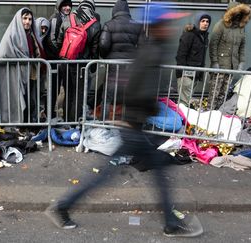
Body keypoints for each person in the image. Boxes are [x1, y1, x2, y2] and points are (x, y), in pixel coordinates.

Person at [45, 4, 204, 238]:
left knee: (146, 173)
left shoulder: (152, 47)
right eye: (167, 23)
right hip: (134, 127)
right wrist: (134, 117)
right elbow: (136, 89)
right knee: (108, 176)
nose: (170, 28)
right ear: (159, 26)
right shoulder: (151, 51)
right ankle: (62, 207)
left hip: (134, 124)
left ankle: (170, 222)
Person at [0, 7, 45, 123]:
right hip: (15, 75)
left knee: (30, 100)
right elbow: (1, 56)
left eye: (30, 19)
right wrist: (20, 60)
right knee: (18, 101)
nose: (27, 22)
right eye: (24, 18)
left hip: (30, 73)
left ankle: (28, 124)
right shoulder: (11, 35)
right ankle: (20, 124)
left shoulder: (32, 34)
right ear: (18, 19)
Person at [98, 0, 143, 120]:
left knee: (108, 96)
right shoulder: (137, 25)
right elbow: (143, 47)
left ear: (115, 10)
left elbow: (103, 45)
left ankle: (103, 122)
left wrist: (105, 57)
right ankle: (126, 123)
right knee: (128, 96)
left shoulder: (109, 25)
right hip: (130, 68)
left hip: (113, 67)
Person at [56, 0, 101, 121]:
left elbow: (59, 41)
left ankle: (66, 120)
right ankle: (74, 122)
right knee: (79, 94)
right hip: (82, 65)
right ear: (92, 7)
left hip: (65, 63)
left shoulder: (68, 18)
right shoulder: (95, 23)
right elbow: (94, 49)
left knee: (68, 91)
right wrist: (93, 66)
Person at [208, 2, 251, 109]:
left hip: (232, 67)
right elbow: (213, 44)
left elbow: (242, 47)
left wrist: (241, 62)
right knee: (214, 94)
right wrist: (215, 62)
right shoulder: (220, 25)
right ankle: (209, 115)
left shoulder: (241, 28)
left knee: (223, 94)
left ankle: (219, 115)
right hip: (220, 65)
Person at [176, 12, 211, 105]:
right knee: (184, 102)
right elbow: (181, 55)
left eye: (207, 21)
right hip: (186, 75)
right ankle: (181, 119)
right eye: (202, 21)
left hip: (196, 75)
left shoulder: (204, 37)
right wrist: (183, 73)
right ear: (197, 22)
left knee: (186, 101)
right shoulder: (189, 35)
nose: (205, 23)